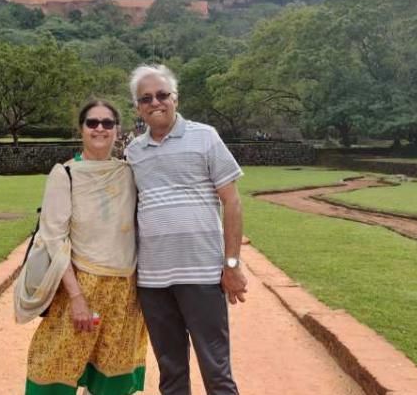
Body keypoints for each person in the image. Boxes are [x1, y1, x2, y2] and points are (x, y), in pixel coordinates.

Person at [125, 65, 247, 395]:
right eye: (146, 98)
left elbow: (232, 203)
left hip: (202, 275)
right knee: (171, 372)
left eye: (162, 95)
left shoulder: (204, 137)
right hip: (152, 281)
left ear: (175, 98)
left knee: (216, 370)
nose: (155, 102)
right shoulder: (133, 152)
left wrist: (232, 265)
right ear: (138, 107)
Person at [16, 99, 148, 395]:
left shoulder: (128, 173)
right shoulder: (65, 175)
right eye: (92, 123)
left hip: (124, 291)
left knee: (113, 375)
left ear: (117, 130)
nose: (100, 128)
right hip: (80, 285)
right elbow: (54, 238)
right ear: (81, 129)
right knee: (54, 368)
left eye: (107, 123)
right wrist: (76, 297)